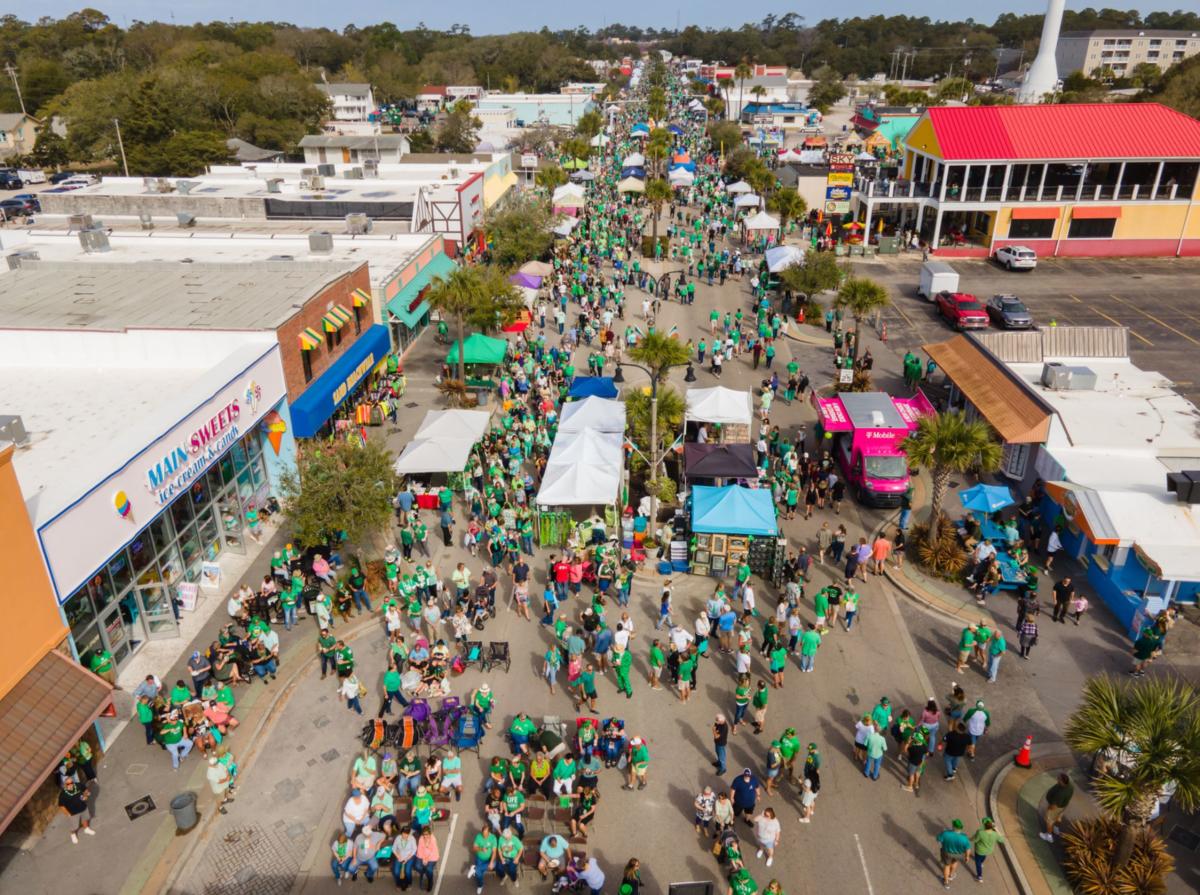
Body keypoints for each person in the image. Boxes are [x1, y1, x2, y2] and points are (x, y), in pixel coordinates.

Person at [1039, 773, 1074, 842]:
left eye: (1059, 779)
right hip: (1063, 806)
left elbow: (1054, 806)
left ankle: (1049, 836)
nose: (1057, 779)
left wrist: (1049, 810)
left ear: (1062, 781)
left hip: (1056, 808)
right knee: (1058, 817)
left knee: (1049, 821)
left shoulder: (1060, 794)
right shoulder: (1070, 786)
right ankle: (1056, 828)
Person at [936, 819, 971, 888]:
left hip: (947, 853)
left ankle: (946, 882)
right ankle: (951, 875)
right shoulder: (964, 838)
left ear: (953, 827)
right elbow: (968, 849)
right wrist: (967, 857)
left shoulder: (946, 833)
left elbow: (938, 840)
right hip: (958, 854)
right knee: (955, 862)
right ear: (961, 828)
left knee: (947, 865)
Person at [414, 826, 440, 891]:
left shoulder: (433, 839)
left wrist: (427, 859)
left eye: (427, 834)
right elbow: (419, 850)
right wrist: (423, 858)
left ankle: (430, 882)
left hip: (432, 857)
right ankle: (423, 873)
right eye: (424, 834)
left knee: (429, 869)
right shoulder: (421, 839)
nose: (425, 836)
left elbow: (433, 851)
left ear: (430, 833)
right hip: (422, 856)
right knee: (417, 866)